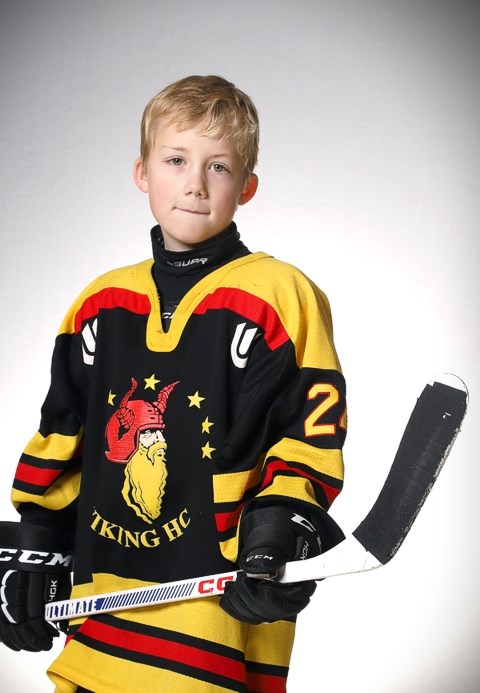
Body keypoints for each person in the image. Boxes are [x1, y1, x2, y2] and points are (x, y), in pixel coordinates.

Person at [0, 75, 347, 692]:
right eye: (176, 160)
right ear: (142, 172)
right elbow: (64, 432)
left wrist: (284, 526)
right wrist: (35, 542)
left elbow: (308, 433)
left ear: (247, 186)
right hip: (99, 606)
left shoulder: (280, 295)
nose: (195, 184)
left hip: (213, 615)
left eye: (219, 166)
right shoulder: (101, 302)